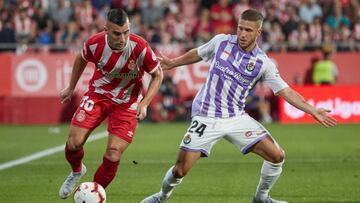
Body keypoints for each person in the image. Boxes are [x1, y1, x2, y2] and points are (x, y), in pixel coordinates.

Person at [141, 9, 336, 203]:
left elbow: (285, 90)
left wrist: (312, 110)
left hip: (235, 117)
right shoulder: (221, 42)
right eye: (240, 28)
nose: (242, 34)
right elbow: (198, 53)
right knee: (180, 169)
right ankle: (161, 196)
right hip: (206, 115)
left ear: (258, 33)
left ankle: (261, 198)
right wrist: (173, 63)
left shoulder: (263, 63)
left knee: (277, 156)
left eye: (248, 30)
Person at [58, 8, 163, 199]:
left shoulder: (140, 47)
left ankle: (93, 194)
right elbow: (80, 58)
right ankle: (76, 171)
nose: (122, 38)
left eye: (126, 32)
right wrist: (70, 87)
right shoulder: (94, 44)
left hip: (127, 103)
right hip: (98, 95)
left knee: (113, 154)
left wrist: (145, 103)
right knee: (73, 144)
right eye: (117, 33)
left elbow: (158, 74)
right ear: (106, 29)